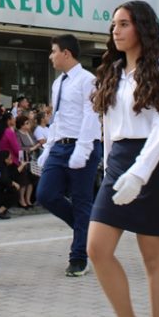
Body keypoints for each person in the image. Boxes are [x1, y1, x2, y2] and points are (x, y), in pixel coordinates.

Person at [88, 0, 159, 317]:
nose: (116, 30)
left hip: (153, 165)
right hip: (119, 165)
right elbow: (109, 128)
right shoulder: (112, 72)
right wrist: (110, 167)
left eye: (124, 23)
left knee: (153, 258)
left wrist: (140, 172)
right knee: (97, 247)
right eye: (114, 24)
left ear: (141, 28)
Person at [36, 34, 101, 278]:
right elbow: (58, 117)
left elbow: (91, 115)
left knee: (82, 200)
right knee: (45, 194)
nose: (51, 56)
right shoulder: (58, 83)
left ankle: (78, 257)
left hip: (82, 145)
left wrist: (83, 149)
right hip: (59, 147)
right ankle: (86, 229)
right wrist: (48, 148)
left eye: (54, 51)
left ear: (66, 53)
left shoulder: (88, 80)